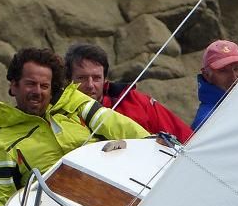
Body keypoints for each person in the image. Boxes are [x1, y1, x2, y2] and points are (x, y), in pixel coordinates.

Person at [0, 47, 150, 206]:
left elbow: (119, 126)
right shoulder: (0, 144)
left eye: (45, 86)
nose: (38, 91)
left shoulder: (77, 105)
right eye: (30, 84)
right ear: (14, 86)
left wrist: (151, 141)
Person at [65, 42, 193, 143]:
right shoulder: (57, 114)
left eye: (97, 78)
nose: (90, 85)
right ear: (68, 79)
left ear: (105, 79)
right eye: (82, 78)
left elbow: (186, 139)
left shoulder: (134, 102)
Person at [192, 39, 238, 131]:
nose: (234, 77)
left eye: (237, 68)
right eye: (223, 71)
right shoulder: (207, 122)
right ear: (207, 75)